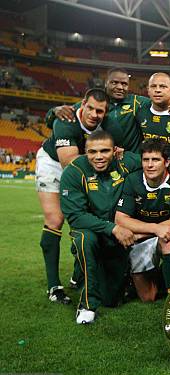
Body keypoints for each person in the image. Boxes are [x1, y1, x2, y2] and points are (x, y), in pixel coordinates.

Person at [60, 130, 141, 324]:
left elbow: (152, 160)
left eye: (104, 151)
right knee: (84, 239)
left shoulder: (126, 162)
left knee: (112, 300)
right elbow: (76, 216)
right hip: (93, 232)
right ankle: (88, 305)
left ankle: (83, 274)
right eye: (92, 152)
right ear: (85, 152)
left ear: (115, 151)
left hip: (116, 239)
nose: (98, 157)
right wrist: (113, 228)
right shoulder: (74, 172)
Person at [36, 88, 109, 305]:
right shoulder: (66, 120)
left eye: (100, 111)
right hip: (54, 163)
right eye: (91, 108)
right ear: (82, 104)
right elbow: (68, 161)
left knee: (90, 217)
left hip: (88, 164)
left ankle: (78, 274)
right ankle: (53, 286)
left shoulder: (106, 120)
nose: (95, 114)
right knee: (55, 219)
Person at [46, 67, 170, 153]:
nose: (120, 87)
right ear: (106, 83)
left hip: (130, 160)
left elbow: (161, 102)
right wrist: (54, 110)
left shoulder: (138, 102)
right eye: (114, 83)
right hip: (104, 158)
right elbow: (60, 117)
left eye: (124, 84)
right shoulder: (96, 103)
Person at [115, 139, 170, 298]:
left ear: (166, 162)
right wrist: (155, 229)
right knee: (148, 297)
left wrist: (144, 232)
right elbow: (121, 219)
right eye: (146, 160)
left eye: (155, 160)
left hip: (160, 236)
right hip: (145, 237)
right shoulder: (133, 180)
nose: (150, 165)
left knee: (168, 241)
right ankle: (157, 278)